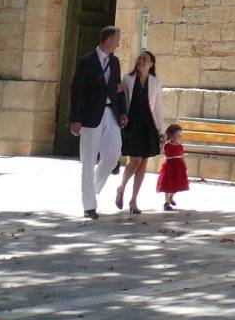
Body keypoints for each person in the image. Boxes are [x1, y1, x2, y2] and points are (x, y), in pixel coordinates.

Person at [68, 24, 127, 218]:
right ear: (108, 40)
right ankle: (89, 206)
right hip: (90, 115)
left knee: (113, 154)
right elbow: (77, 90)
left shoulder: (115, 62)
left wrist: (122, 112)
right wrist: (75, 118)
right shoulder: (86, 61)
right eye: (116, 40)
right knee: (88, 160)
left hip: (111, 113)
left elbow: (118, 88)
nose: (118, 44)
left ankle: (92, 190)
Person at [114, 50, 164, 213]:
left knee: (143, 164)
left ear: (151, 64)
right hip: (132, 124)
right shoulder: (127, 79)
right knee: (135, 161)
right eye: (140, 58)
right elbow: (122, 102)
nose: (141, 60)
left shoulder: (155, 82)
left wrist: (161, 131)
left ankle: (134, 200)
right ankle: (121, 188)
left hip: (148, 126)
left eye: (145, 59)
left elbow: (158, 107)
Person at [155, 123, 190, 211]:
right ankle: (166, 203)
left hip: (178, 167)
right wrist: (163, 142)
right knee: (168, 184)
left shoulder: (180, 146)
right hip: (169, 167)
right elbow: (161, 152)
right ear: (171, 135)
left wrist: (184, 165)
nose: (179, 136)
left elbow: (182, 156)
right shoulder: (167, 145)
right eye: (177, 134)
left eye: (180, 134)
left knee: (178, 184)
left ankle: (171, 197)